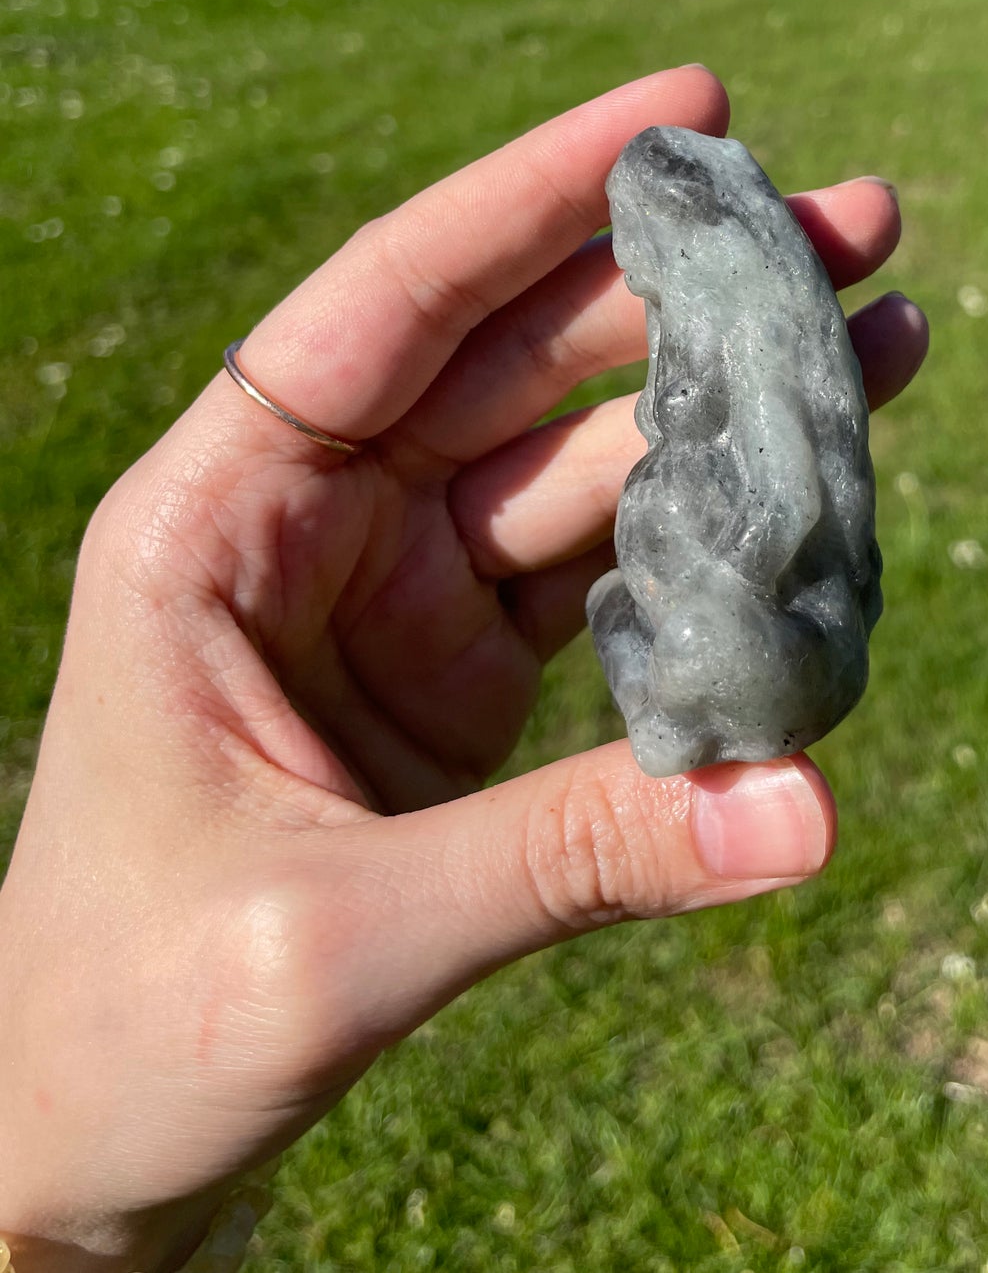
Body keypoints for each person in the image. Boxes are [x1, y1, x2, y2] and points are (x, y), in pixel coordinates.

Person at [0, 67, 929, 1272]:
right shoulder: (712, 338)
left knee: (691, 610)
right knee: (664, 580)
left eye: (647, 264)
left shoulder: (748, 319)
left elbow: (797, 490)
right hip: (735, 608)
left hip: (760, 624)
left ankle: (703, 645)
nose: (639, 282)